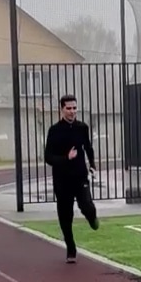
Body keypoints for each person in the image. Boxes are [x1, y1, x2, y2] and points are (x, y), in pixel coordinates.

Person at [44, 94, 100, 262]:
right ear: (62, 109)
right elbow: (48, 157)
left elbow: (88, 148)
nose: (72, 111)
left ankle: (92, 218)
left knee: (87, 206)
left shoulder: (82, 127)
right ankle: (71, 248)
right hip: (62, 179)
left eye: (74, 108)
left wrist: (92, 164)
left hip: (80, 176)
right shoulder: (54, 131)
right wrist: (66, 158)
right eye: (68, 108)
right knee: (65, 215)